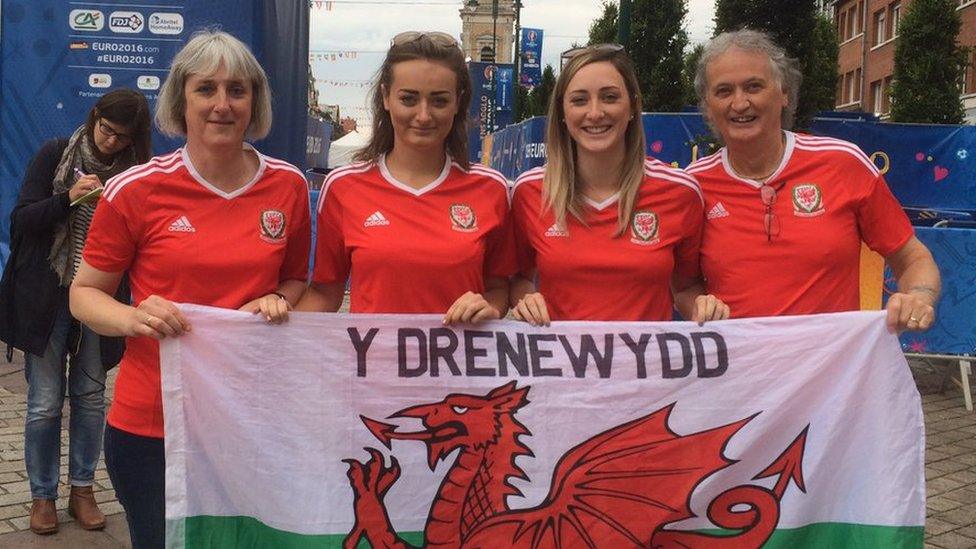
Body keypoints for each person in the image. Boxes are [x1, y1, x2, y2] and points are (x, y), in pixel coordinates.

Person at [69, 31, 310, 548]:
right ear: (181, 100)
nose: (222, 105)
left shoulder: (287, 186)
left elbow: (296, 279)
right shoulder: (135, 189)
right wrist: (133, 317)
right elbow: (85, 294)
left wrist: (281, 299)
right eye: (206, 90)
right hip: (154, 422)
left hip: (252, 419)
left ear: (256, 103)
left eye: (237, 91)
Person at [687, 29, 940, 331]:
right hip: (739, 373)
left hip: (831, 371)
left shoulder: (842, 162)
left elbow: (913, 259)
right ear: (708, 106)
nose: (740, 103)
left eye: (754, 87)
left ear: (784, 94)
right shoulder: (692, 187)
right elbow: (684, 285)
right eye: (724, 91)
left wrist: (918, 296)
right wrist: (698, 305)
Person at [0, 89, 151, 534]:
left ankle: (82, 490)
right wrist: (68, 197)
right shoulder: (55, 154)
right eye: (106, 130)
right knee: (45, 403)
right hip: (48, 298)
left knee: (88, 399)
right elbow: (21, 220)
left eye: (122, 138)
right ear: (94, 117)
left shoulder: (135, 176)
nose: (111, 142)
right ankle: (42, 495)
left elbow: (144, 244)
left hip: (100, 302)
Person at [298, 32, 514, 322]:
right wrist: (260, 333)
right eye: (409, 99)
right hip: (374, 365)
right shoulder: (343, 187)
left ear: (457, 103)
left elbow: (499, 287)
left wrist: (491, 308)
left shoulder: (491, 189)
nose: (423, 115)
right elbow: (325, 293)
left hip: (459, 365)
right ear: (386, 97)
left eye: (439, 101)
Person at [508, 44, 728, 324]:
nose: (596, 112)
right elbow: (518, 280)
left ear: (633, 106)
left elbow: (686, 286)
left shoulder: (680, 191)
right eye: (579, 100)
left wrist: (702, 306)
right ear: (562, 112)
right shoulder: (529, 192)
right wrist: (525, 301)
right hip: (560, 366)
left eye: (610, 97)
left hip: (648, 367)